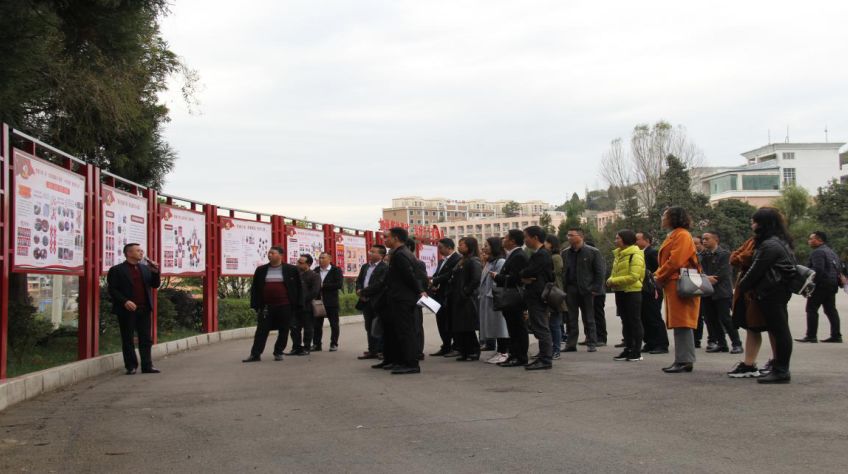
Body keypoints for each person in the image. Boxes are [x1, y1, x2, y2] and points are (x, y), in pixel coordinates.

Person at [736, 207, 797, 384]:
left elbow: (755, 271)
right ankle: (780, 368)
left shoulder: (769, 244)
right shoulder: (779, 241)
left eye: (755, 221)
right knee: (779, 330)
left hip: (772, 292)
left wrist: (742, 286)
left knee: (780, 331)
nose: (752, 224)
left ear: (764, 224)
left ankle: (781, 370)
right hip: (776, 291)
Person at [372, 227, 425, 375]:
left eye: (386, 237)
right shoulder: (401, 253)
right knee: (400, 331)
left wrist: (419, 291)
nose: (384, 240)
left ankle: (411, 364)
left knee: (406, 331)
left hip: (403, 299)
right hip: (402, 298)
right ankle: (401, 361)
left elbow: (409, 276)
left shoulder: (401, 255)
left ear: (395, 238)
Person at [654, 207, 700, 374]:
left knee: (683, 322)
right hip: (674, 283)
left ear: (673, 218)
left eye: (664, 215)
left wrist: (658, 275)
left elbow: (676, 261)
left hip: (679, 283)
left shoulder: (682, 235)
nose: (662, 218)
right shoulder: (676, 234)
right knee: (679, 322)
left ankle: (685, 360)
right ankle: (682, 359)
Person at [107, 243, 162, 374]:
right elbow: (112, 289)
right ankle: (131, 366)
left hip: (144, 308)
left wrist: (155, 272)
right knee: (128, 338)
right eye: (138, 251)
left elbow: (155, 285)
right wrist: (124, 301)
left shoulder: (145, 268)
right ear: (129, 253)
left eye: (141, 250)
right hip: (127, 309)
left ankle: (147, 365)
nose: (141, 252)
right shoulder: (117, 270)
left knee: (146, 338)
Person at [726, 237, 777, 378]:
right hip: (749, 289)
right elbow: (734, 258)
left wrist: (746, 256)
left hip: (767, 288)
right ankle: (749, 364)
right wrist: (746, 256)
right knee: (752, 326)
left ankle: (778, 363)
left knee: (774, 327)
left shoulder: (774, 241)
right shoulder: (753, 239)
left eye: (756, 221)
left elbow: (753, 258)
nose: (753, 224)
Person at [243, 246, 303, 362]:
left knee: (284, 329)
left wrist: (298, 304)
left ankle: (278, 352)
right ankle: (255, 354)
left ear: (281, 255)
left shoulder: (291, 270)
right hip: (266, 306)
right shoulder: (261, 270)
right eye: (269, 253)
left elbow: (298, 288)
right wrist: (255, 305)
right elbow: (255, 288)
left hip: (285, 305)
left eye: (273, 253)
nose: (269, 255)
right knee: (261, 330)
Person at [561, 227, 605, 352]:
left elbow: (600, 272)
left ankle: (592, 342)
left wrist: (596, 288)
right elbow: (563, 271)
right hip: (570, 290)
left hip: (587, 290)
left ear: (580, 236)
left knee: (589, 318)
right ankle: (571, 344)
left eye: (571, 235)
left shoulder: (593, 252)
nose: (569, 237)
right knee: (571, 318)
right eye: (568, 235)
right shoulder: (565, 253)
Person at [700, 231, 743, 354]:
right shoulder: (702, 255)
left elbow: (723, 273)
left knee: (726, 319)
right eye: (703, 239)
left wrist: (707, 278)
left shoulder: (724, 254)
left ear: (716, 240)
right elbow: (699, 270)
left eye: (707, 239)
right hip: (706, 291)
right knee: (711, 319)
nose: (704, 241)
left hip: (722, 292)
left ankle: (737, 344)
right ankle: (721, 344)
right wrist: (706, 278)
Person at [519, 226, 555, 370]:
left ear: (535, 238)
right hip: (536, 294)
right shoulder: (540, 253)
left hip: (538, 295)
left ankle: (546, 359)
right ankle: (543, 357)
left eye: (526, 237)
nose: (525, 240)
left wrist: (524, 275)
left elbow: (528, 271)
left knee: (541, 327)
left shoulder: (541, 255)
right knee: (540, 326)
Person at [796, 231, 843, 343]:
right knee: (831, 310)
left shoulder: (818, 252)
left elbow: (818, 270)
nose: (809, 241)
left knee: (811, 309)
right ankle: (836, 335)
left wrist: (810, 285)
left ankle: (811, 335)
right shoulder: (831, 252)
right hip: (832, 284)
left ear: (819, 240)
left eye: (812, 239)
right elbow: (838, 268)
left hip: (821, 285)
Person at [492, 229, 530, 367]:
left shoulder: (518, 255)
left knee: (517, 327)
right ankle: (514, 354)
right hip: (511, 297)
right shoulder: (513, 255)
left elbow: (515, 278)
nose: (503, 240)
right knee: (512, 327)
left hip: (514, 297)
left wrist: (497, 276)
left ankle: (520, 356)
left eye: (506, 238)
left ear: (512, 241)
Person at [606, 230, 645, 361]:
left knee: (634, 321)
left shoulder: (635, 255)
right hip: (620, 291)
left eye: (617, 238)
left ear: (625, 240)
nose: (615, 240)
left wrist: (613, 281)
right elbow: (615, 272)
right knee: (625, 321)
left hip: (632, 292)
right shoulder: (619, 254)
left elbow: (634, 276)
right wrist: (611, 279)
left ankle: (637, 351)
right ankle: (628, 348)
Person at [449, 237, 483, 360]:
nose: (459, 247)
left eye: (462, 245)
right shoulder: (462, 260)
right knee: (461, 327)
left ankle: (473, 351)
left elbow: (475, 280)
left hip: (467, 299)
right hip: (458, 297)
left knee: (468, 327)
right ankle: (465, 351)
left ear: (469, 246)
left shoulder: (474, 261)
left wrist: (465, 292)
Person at [636, 232, 669, 354]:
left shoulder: (652, 252)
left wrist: (655, 279)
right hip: (643, 290)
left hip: (653, 289)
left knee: (653, 316)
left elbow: (660, 268)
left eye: (637, 239)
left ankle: (661, 344)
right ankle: (650, 342)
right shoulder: (639, 253)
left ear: (646, 240)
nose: (635, 242)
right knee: (644, 317)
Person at [355, 245, 388, 359]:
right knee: (369, 326)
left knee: (378, 326)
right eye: (370, 251)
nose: (370, 253)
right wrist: (359, 291)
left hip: (377, 301)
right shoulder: (365, 266)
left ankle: (381, 350)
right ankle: (372, 350)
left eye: (373, 252)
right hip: (365, 301)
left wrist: (364, 292)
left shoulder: (384, 268)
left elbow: (379, 284)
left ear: (381, 255)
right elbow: (359, 280)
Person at [429, 238, 461, 356]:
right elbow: (437, 275)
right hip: (439, 295)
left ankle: (456, 346)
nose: (439, 250)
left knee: (450, 322)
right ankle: (446, 345)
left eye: (440, 247)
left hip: (450, 295)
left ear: (449, 247)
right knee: (441, 322)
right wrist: (433, 283)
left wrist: (435, 280)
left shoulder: (457, 259)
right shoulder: (442, 261)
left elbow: (450, 275)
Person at [480, 237, 509, 363]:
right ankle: (499, 351)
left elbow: (499, 281)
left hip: (495, 298)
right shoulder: (490, 261)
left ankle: (504, 352)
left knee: (501, 326)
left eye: (487, 245)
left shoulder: (500, 261)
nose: (484, 247)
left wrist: (491, 294)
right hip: (488, 298)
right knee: (495, 326)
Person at [288, 254, 321, 356]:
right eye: (298, 262)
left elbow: (314, 292)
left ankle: (306, 348)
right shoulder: (294, 274)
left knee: (308, 328)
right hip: (294, 307)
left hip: (307, 306)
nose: (298, 264)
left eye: (301, 263)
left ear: (308, 264)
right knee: (294, 328)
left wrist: (302, 300)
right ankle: (296, 347)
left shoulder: (314, 276)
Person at [313, 252, 343, 352]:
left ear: (329, 259)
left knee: (334, 324)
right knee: (317, 324)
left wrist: (323, 285)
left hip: (331, 301)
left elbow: (339, 284)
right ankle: (317, 344)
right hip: (318, 302)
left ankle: (334, 343)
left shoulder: (336, 270)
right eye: (320, 258)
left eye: (323, 258)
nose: (321, 260)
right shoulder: (315, 271)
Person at [406, 238, 429, 360]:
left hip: (414, 299)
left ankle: (418, 351)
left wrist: (420, 292)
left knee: (416, 325)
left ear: (408, 247)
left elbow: (422, 280)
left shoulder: (418, 263)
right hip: (402, 299)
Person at [544, 235, 564, 359]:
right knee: (550, 323)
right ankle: (550, 348)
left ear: (551, 244)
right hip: (550, 291)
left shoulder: (555, 257)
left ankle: (556, 349)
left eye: (546, 242)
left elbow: (556, 274)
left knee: (554, 323)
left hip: (554, 293)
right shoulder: (549, 257)